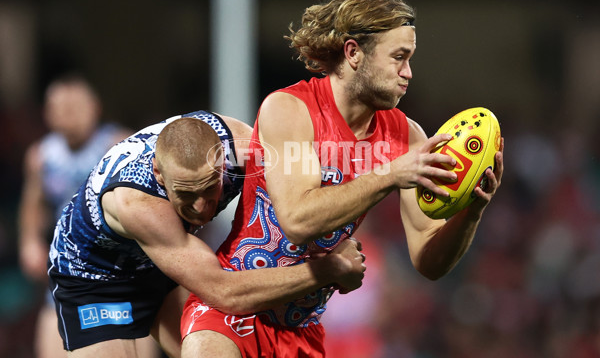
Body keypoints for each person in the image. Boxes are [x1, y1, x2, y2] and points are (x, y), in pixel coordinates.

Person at [181, 0, 505, 357]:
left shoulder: (407, 137)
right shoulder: (289, 109)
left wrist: (471, 212)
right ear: (354, 53)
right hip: (231, 313)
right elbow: (298, 220)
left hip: (303, 332)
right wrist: (392, 173)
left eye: (410, 59)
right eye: (398, 57)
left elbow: (428, 262)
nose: (408, 73)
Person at [47, 109, 367, 357]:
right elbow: (225, 293)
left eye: (209, 189)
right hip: (96, 276)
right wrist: (328, 269)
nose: (201, 208)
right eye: (186, 194)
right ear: (159, 173)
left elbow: (305, 194)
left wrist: (336, 237)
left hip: (170, 256)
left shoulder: (243, 148)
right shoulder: (137, 202)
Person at [17, 74, 131, 358]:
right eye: (61, 109)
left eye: (76, 108)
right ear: (47, 114)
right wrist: (29, 241)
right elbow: (33, 203)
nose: (69, 116)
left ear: (96, 107)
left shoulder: (119, 147)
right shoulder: (41, 156)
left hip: (114, 274)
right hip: (65, 272)